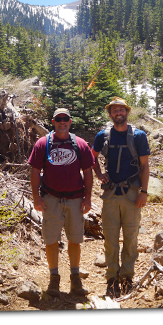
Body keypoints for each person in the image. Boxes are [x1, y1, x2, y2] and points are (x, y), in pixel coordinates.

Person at [28, 108, 96, 297]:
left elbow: (88, 172)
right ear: (53, 121)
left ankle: (75, 280)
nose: (62, 122)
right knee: (51, 240)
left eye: (65, 119)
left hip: (75, 199)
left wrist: (88, 198)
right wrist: (36, 198)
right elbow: (34, 171)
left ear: (70, 121)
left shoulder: (79, 144)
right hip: (51, 199)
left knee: (75, 239)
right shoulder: (43, 144)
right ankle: (54, 280)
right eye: (59, 119)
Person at [92, 97, 150, 297]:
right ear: (110, 114)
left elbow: (145, 166)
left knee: (131, 238)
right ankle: (111, 278)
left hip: (133, 194)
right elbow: (92, 157)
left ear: (127, 112)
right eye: (115, 110)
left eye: (121, 110)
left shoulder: (139, 136)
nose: (118, 113)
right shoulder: (103, 135)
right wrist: (99, 174)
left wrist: (144, 192)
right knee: (110, 238)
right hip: (110, 194)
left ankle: (127, 277)